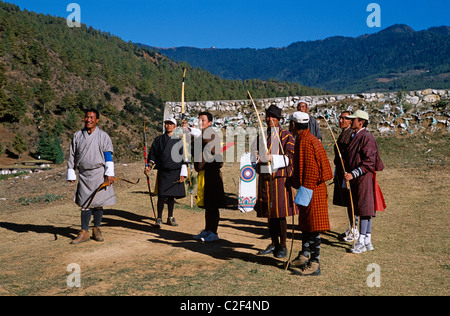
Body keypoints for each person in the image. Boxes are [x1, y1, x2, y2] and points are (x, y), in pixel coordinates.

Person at [289, 111, 333, 276]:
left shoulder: (307, 142)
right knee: (306, 224)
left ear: (293, 125)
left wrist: (302, 191)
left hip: (312, 189)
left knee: (313, 227)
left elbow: (311, 171)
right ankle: (304, 255)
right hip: (310, 188)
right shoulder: (305, 138)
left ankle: (315, 263)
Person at [253, 105, 297, 258]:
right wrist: (257, 159)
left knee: (280, 213)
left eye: (273, 117)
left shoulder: (286, 136)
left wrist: (273, 158)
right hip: (265, 179)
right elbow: (254, 155)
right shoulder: (262, 136)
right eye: (268, 116)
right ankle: (274, 243)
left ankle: (283, 246)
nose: (270, 119)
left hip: (280, 180)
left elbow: (291, 157)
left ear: (279, 119)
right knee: (269, 213)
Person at [67, 109, 115, 244]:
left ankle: (96, 229)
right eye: (87, 117)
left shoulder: (103, 136)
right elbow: (72, 155)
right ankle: (84, 232)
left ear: (97, 120)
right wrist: (71, 171)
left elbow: (108, 155)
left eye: (92, 117)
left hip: (99, 173)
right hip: (83, 175)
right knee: (85, 203)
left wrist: (109, 173)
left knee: (98, 203)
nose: (89, 120)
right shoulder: (77, 136)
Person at [344, 110, 384, 254]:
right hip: (357, 178)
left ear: (360, 122)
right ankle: (367, 240)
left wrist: (353, 174)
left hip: (363, 177)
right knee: (363, 208)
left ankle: (362, 241)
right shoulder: (356, 135)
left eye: (353, 119)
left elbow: (369, 162)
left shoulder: (367, 137)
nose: (350, 121)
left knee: (364, 208)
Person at [183, 112, 226, 242]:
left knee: (213, 204)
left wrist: (191, 130)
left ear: (210, 122)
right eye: (199, 120)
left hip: (212, 172)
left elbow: (206, 142)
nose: (200, 122)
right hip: (204, 172)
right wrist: (189, 135)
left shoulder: (211, 132)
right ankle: (208, 230)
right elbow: (196, 147)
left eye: (203, 120)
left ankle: (214, 232)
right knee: (208, 204)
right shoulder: (202, 134)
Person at [144, 117, 187, 228]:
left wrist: (183, 173)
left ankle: (170, 217)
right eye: (166, 124)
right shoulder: (159, 140)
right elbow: (153, 154)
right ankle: (159, 218)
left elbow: (183, 158)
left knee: (172, 196)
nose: (168, 125)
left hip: (175, 172)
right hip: (163, 172)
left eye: (170, 124)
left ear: (175, 126)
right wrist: (149, 166)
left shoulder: (179, 140)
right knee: (162, 196)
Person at [333, 111, 359, 242]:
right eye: (340, 118)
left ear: (350, 121)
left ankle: (355, 229)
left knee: (352, 200)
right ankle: (352, 227)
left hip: (349, 172)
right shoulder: (344, 133)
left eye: (344, 119)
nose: (341, 121)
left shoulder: (352, 135)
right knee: (348, 201)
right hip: (342, 171)